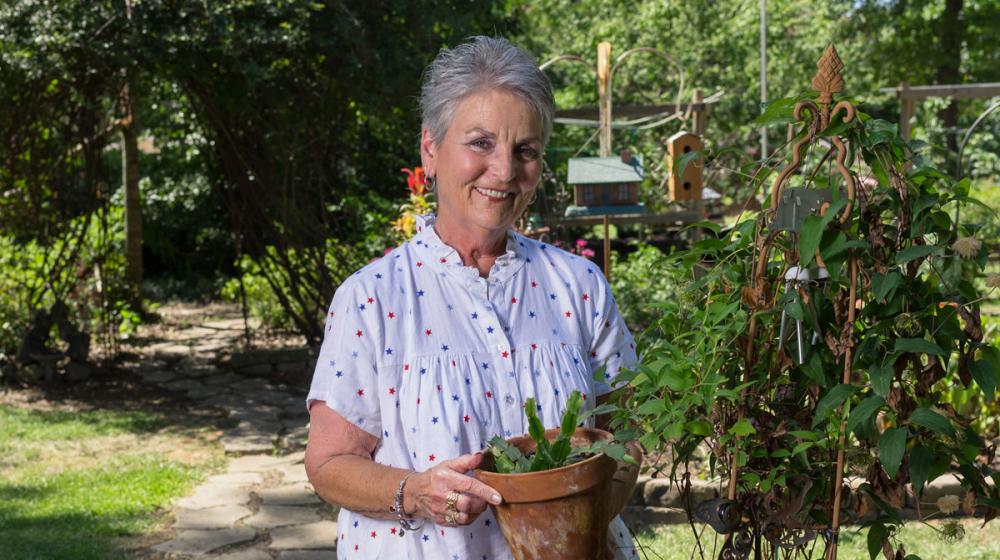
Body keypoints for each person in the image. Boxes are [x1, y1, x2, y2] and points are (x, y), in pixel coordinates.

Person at [304, 36, 640, 559]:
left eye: (525, 150)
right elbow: (327, 465)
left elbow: (625, 434)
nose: (505, 171)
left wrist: (588, 507)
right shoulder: (371, 300)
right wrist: (415, 492)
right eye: (480, 143)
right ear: (430, 150)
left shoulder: (579, 286)